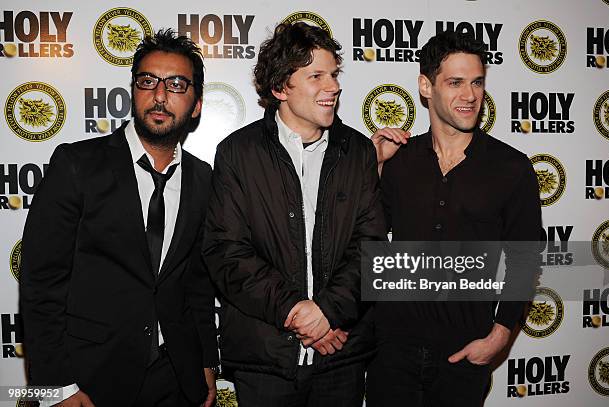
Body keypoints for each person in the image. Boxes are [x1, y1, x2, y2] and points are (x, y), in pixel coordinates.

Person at [20, 29, 218, 407]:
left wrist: (207, 359)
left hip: (175, 376)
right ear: (133, 91)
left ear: (196, 105)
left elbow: (198, 284)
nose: (160, 95)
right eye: (148, 81)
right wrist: (56, 386)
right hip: (89, 380)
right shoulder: (77, 165)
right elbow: (40, 284)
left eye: (176, 84)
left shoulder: (202, 179)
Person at [202, 22, 386, 407]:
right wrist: (299, 314)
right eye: (316, 75)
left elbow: (369, 249)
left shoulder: (358, 152)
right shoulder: (237, 153)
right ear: (280, 88)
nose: (333, 86)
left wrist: (328, 314)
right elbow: (226, 252)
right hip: (265, 360)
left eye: (334, 74)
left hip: (340, 356)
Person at [367, 30, 542, 406]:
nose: (470, 96)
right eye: (455, 82)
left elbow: (525, 259)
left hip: (464, 356)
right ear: (425, 86)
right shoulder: (399, 161)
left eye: (477, 82)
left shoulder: (511, 168)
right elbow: (367, 241)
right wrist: (374, 169)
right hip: (392, 353)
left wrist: (498, 338)